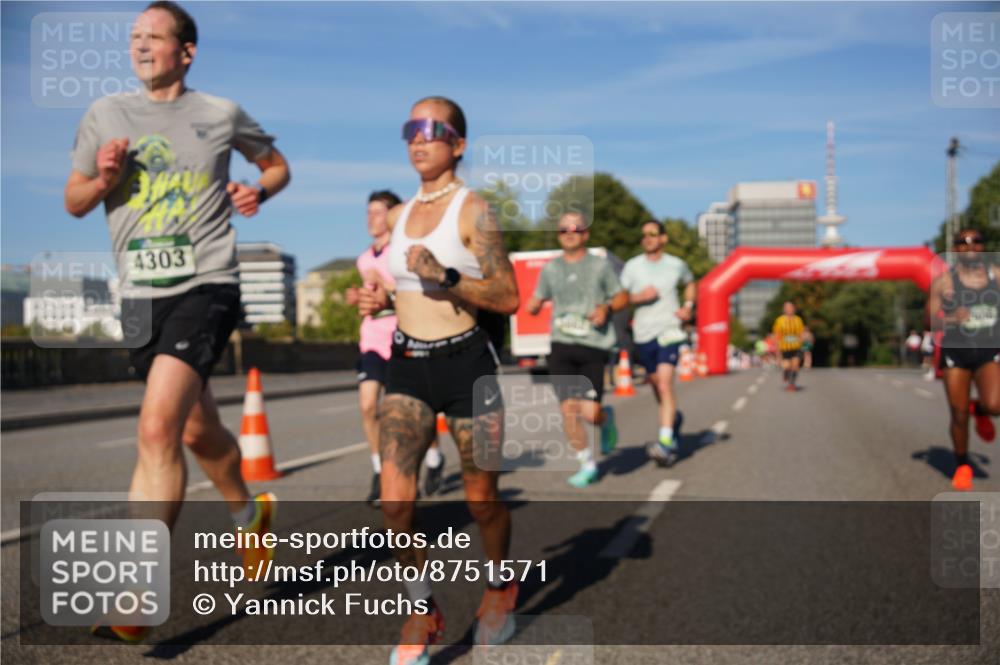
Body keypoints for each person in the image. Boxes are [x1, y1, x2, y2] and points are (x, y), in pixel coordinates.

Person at [63, 1, 289, 642]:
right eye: (134, 37)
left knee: (157, 426)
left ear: (186, 51)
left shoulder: (220, 114)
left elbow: (275, 163)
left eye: (153, 37)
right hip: (138, 295)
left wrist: (259, 190)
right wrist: (104, 176)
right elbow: (75, 200)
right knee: (195, 430)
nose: (139, 47)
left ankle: (135, 594)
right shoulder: (104, 116)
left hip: (206, 282)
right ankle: (250, 511)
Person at [356, 96, 520, 664]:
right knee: (396, 504)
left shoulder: (475, 210)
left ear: (459, 143)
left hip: (468, 364)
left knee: (482, 502)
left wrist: (446, 276)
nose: (418, 139)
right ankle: (422, 609)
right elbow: (402, 288)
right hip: (407, 365)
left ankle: (500, 586)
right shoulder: (399, 217)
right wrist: (378, 299)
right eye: (410, 130)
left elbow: (508, 296)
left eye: (432, 129)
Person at [345, 191, 447, 507]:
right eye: (368, 212)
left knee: (414, 411)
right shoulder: (364, 258)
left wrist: (386, 286)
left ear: (392, 216)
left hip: (404, 336)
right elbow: (370, 300)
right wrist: (358, 298)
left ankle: (434, 457)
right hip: (373, 339)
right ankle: (379, 471)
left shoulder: (403, 252)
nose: (371, 218)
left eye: (377, 212)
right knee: (367, 405)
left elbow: (416, 293)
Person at [525, 212, 628, 487]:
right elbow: (538, 296)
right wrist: (533, 305)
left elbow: (622, 297)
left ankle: (606, 420)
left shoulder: (600, 267)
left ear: (585, 234)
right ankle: (587, 463)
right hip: (561, 344)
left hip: (594, 344)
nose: (569, 233)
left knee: (590, 412)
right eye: (563, 230)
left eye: (575, 228)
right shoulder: (551, 268)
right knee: (568, 409)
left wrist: (607, 307)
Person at [928, 229, 1000, 491]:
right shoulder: (944, 282)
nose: (970, 246)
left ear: (983, 246)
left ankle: (980, 410)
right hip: (956, 352)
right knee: (958, 414)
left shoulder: (996, 276)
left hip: (987, 349)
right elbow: (928, 320)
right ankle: (963, 465)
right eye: (963, 242)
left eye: (976, 241)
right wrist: (950, 318)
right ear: (955, 248)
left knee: (995, 405)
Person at [620, 220, 695, 467]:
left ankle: (665, 443)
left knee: (664, 384)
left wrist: (687, 307)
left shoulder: (676, 265)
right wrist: (639, 297)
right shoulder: (633, 266)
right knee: (656, 386)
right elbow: (620, 298)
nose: (648, 239)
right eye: (644, 236)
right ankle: (673, 420)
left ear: (663, 238)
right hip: (643, 333)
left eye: (653, 234)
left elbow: (690, 283)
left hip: (669, 332)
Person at [772, 302, 805, 391]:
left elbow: (801, 334)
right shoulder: (779, 321)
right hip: (785, 348)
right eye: (787, 308)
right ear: (784, 309)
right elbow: (777, 336)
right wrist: (777, 352)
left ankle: (792, 383)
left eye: (791, 308)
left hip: (796, 347)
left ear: (794, 309)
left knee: (795, 365)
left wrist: (802, 343)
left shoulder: (798, 320)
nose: (789, 309)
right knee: (787, 366)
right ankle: (786, 372)